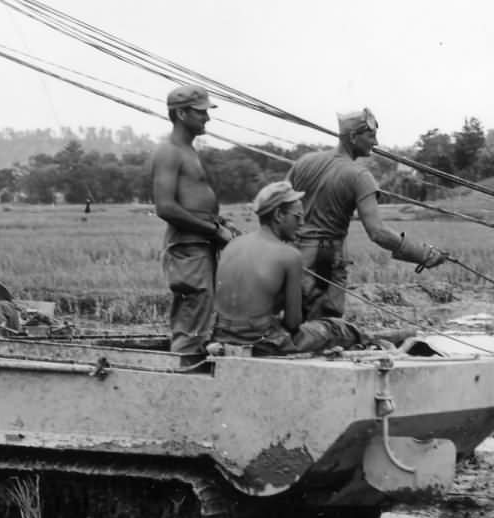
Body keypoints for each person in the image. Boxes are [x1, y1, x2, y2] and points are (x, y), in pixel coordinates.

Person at [288, 107, 447, 320]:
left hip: (291, 256)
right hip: (324, 260)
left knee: (293, 319)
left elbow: (275, 205)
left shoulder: (304, 162)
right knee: (324, 325)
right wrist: (422, 254)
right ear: (353, 137)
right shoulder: (360, 176)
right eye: (371, 135)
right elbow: (378, 232)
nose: (376, 143)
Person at [212, 181, 363, 355]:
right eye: (297, 217)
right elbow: (293, 324)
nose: (301, 223)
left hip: (222, 336)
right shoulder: (289, 255)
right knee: (335, 329)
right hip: (265, 342)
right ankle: (380, 338)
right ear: (278, 215)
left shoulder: (233, 245)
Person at [151, 84, 238, 359]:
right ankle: (181, 379)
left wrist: (221, 224)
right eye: (201, 113)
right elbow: (165, 207)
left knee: (203, 320)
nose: (207, 118)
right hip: (189, 249)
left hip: (200, 245)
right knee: (192, 324)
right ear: (181, 114)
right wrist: (214, 230)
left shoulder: (188, 150)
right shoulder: (170, 151)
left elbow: (192, 203)